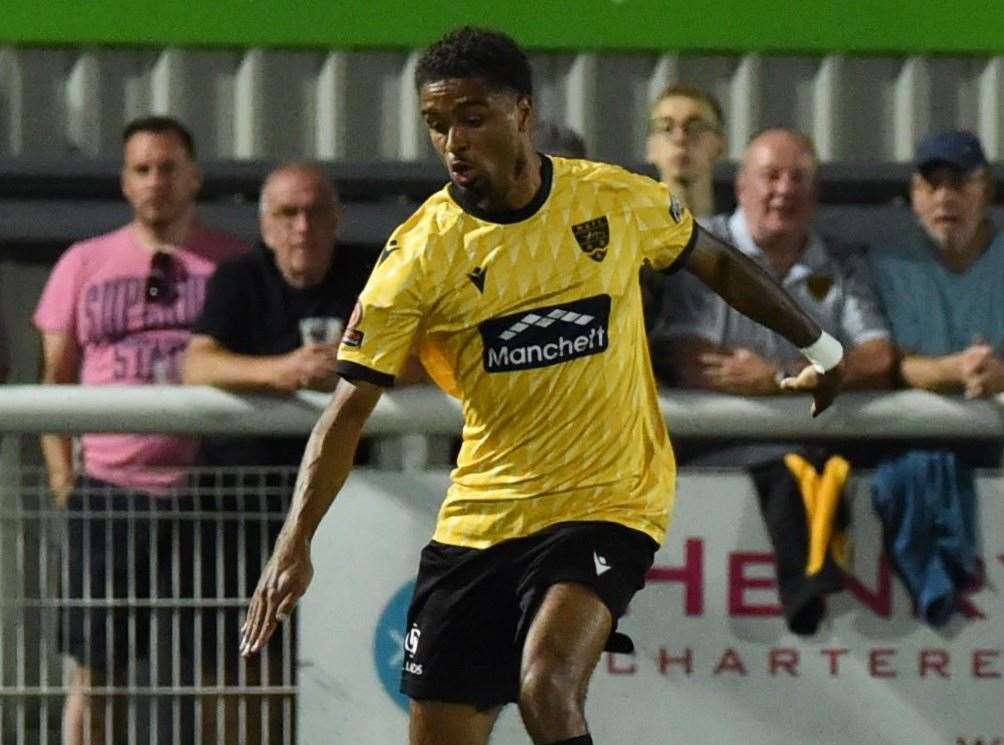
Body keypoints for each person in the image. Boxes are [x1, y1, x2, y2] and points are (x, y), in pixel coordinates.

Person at [240, 27, 842, 745]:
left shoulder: (611, 200)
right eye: (437, 124)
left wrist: (820, 341)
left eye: (471, 117)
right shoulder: (419, 255)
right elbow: (348, 409)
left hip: (610, 497)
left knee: (545, 684)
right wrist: (294, 540)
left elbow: (712, 259)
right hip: (484, 515)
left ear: (521, 111)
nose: (453, 141)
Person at [33, 115, 247, 745]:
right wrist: (62, 477)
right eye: (143, 169)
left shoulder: (232, 264)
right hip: (108, 487)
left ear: (194, 176)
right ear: (126, 183)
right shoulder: (83, 263)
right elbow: (55, 377)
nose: (157, 181)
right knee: (96, 669)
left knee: (222, 666)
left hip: (212, 492)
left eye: (170, 167)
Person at [182, 161, 368, 743]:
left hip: (343, 506)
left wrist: (354, 366)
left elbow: (426, 361)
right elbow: (197, 364)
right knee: (236, 657)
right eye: (288, 213)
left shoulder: (370, 277)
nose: (302, 226)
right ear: (266, 225)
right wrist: (285, 371)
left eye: (315, 211)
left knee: (336, 657)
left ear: (337, 220)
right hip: (236, 506)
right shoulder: (238, 279)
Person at [650, 128, 894, 407]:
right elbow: (692, 361)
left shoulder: (843, 263)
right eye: (771, 176)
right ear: (741, 187)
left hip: (821, 442)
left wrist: (783, 376)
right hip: (723, 443)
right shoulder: (700, 248)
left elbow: (877, 359)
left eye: (798, 177)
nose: (785, 189)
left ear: (815, 192)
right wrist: (824, 375)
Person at [869, 130, 1004, 400]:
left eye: (958, 183)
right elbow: (902, 366)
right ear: (915, 195)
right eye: (932, 185)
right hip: (918, 435)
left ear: (986, 191)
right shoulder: (892, 263)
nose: (944, 198)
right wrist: (959, 370)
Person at [645, 83, 726, 219]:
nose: (680, 138)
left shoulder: (744, 230)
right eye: (666, 128)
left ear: (720, 146)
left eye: (696, 127)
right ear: (651, 148)